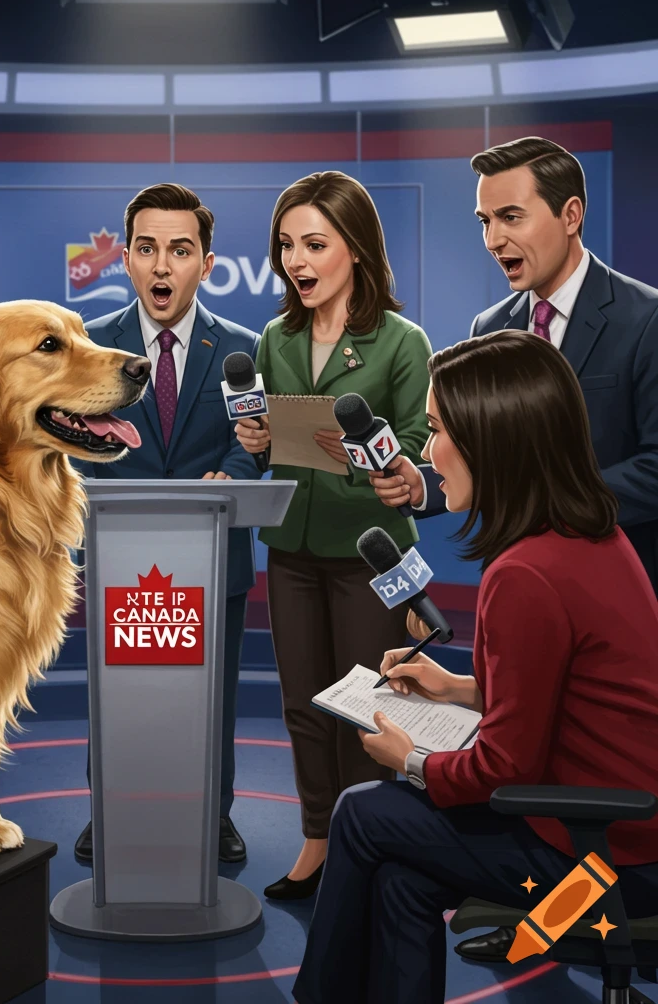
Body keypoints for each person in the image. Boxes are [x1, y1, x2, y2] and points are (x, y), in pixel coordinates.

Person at [292, 329, 658, 1004]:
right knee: (402, 879)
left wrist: (409, 760)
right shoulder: (590, 534)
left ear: (493, 441)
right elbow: (570, 699)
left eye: (436, 431)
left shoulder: (524, 574)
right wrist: (457, 687)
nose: (426, 454)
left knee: (362, 812)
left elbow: (501, 771)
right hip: (631, 836)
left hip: (607, 861)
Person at [235, 171, 432, 900]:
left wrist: (373, 458)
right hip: (291, 549)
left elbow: (419, 444)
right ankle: (317, 840)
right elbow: (265, 441)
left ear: (356, 248)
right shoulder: (275, 337)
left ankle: (367, 845)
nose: (297, 260)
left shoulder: (402, 341)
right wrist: (257, 440)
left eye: (314, 244)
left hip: (370, 553)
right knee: (305, 704)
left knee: (368, 705)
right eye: (286, 246)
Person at [372, 136, 658, 599]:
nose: (493, 240)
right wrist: (423, 485)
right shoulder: (489, 327)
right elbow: (493, 458)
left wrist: (547, 503)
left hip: (615, 586)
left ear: (570, 215)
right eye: (485, 221)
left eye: (510, 217)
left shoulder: (647, 319)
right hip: (516, 581)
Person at [71, 183, 261, 865]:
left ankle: (214, 813)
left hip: (214, 556)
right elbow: (69, 442)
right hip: (118, 556)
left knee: (212, 699)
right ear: (125, 258)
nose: (161, 265)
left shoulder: (242, 350)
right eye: (147, 248)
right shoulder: (89, 343)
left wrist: (233, 477)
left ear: (205, 265)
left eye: (179, 251)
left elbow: (251, 444)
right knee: (119, 696)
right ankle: (109, 809)